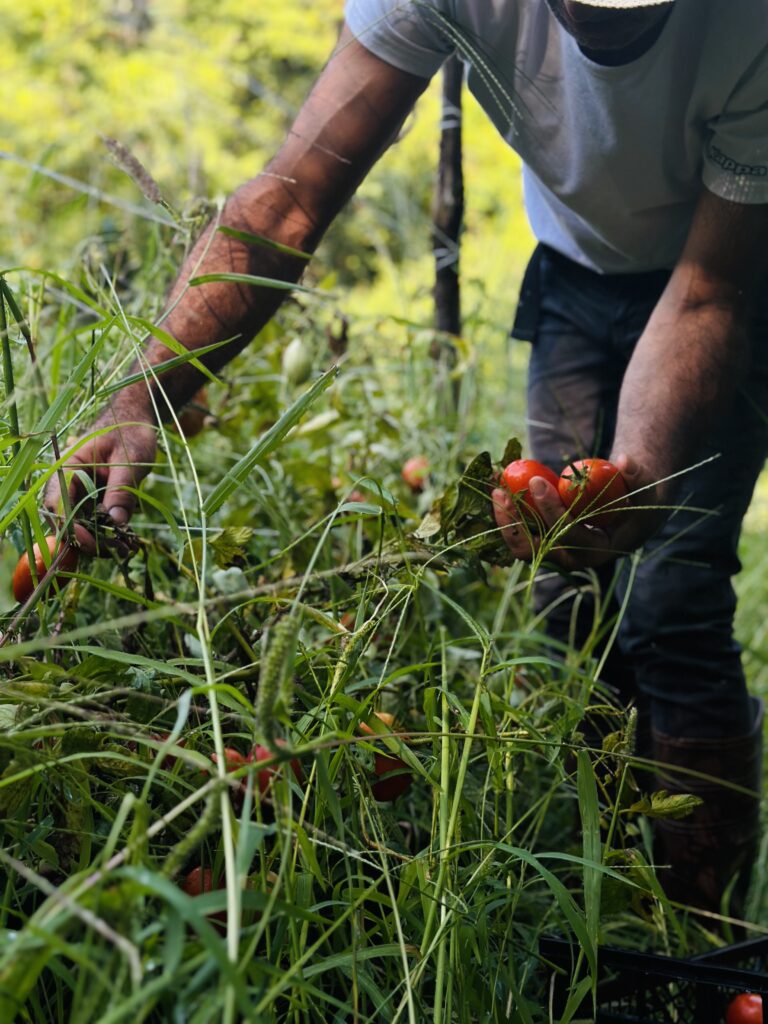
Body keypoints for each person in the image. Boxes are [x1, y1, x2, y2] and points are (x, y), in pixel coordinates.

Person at [46, 0, 768, 919]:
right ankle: (596, 896)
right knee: (562, 592)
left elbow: (706, 295)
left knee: (673, 598)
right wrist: (141, 398)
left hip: (728, 271)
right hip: (575, 272)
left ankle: (701, 936)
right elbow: (292, 192)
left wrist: (637, 474)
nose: (609, 24)